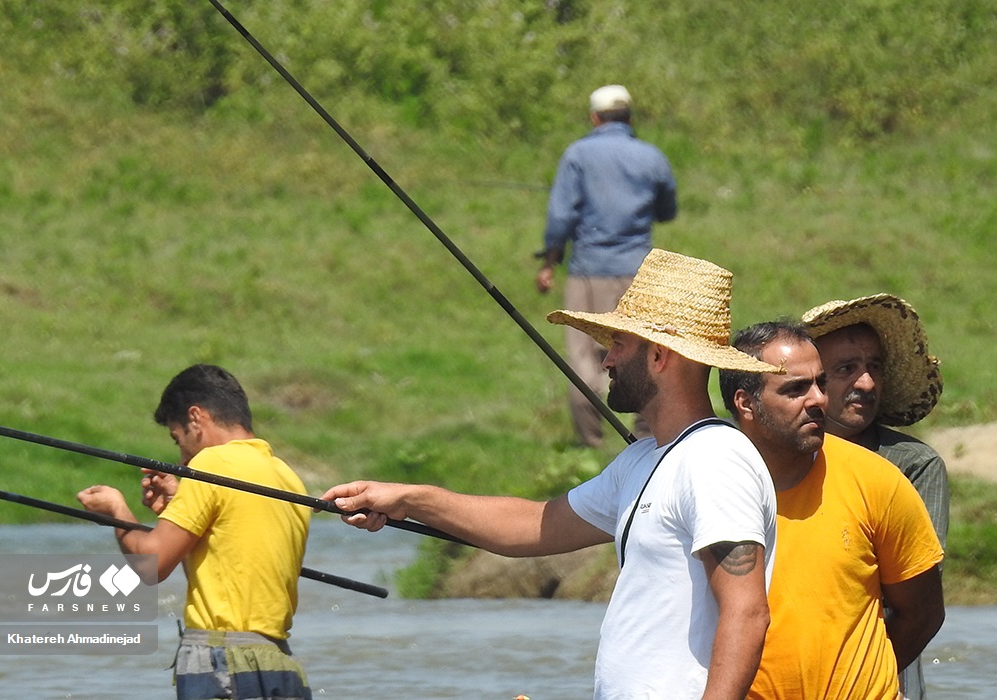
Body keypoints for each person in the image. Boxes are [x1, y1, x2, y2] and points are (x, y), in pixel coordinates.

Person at [325, 249, 780, 699]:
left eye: (619, 344)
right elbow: (532, 526)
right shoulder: (642, 460)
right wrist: (410, 500)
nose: (607, 361)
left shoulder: (715, 459)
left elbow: (747, 614)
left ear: (660, 355)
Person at [718, 322, 945, 699]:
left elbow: (923, 612)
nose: (819, 400)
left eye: (820, 383)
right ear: (745, 403)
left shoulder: (883, 478)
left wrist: (863, 681)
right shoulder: (706, 479)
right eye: (796, 388)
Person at [77, 364, 312, 700]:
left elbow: (151, 564)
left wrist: (117, 511)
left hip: (223, 662)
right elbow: (220, 566)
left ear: (196, 419)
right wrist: (180, 509)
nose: (181, 455)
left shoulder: (211, 466)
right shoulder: (285, 476)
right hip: (279, 663)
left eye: (178, 438)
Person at [802, 294, 949, 699]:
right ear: (813, 381)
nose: (865, 383)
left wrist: (862, 679)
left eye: (874, 368)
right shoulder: (771, 459)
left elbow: (916, 604)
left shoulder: (912, 465)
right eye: (847, 369)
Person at [535, 84, 677, 448]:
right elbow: (667, 210)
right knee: (645, 354)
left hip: (589, 269)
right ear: (629, 117)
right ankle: (650, 436)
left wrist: (550, 261)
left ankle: (589, 443)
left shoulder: (578, 155)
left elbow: (561, 216)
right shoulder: (652, 156)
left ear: (594, 118)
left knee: (584, 356)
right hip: (638, 270)